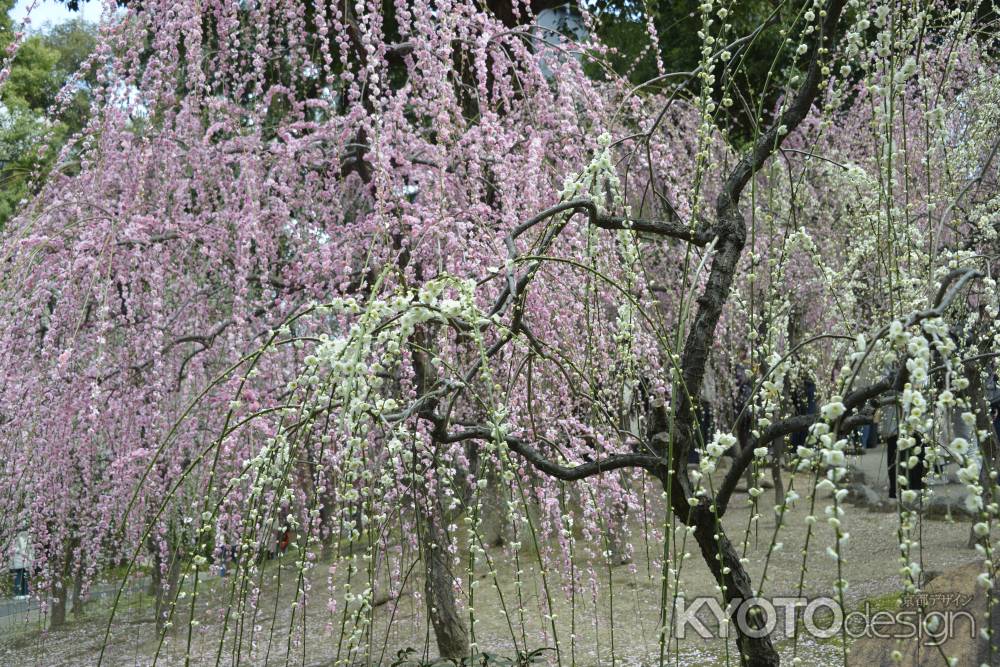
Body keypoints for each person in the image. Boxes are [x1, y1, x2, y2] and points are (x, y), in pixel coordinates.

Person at [9, 529, 33, 599]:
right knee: (19, 577)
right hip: (19, 561)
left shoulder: (27, 538)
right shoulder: (17, 538)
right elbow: (13, 549)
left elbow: (30, 550)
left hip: (24, 562)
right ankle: (19, 593)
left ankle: (25, 593)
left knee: (24, 578)